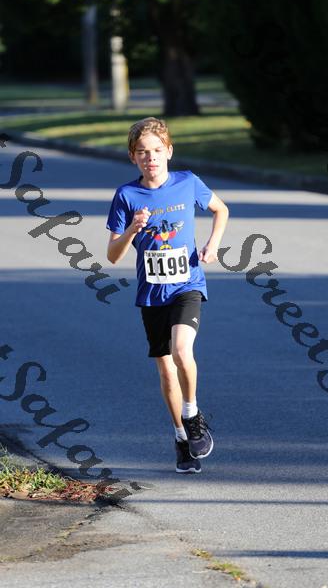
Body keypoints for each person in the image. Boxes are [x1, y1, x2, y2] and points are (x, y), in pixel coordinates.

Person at [106, 117, 229, 474]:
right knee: (165, 369)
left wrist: (213, 244)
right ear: (132, 157)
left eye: (157, 150)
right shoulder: (126, 196)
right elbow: (112, 255)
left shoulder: (187, 183)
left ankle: (192, 415)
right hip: (152, 293)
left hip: (187, 285)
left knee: (181, 351)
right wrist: (132, 229)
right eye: (143, 152)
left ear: (169, 151)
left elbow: (221, 209)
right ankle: (180, 437)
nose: (151, 158)